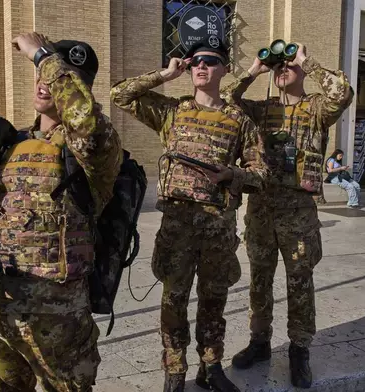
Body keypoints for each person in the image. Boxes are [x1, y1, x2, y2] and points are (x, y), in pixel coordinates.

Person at [0, 32, 122, 392]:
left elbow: (87, 125)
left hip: (59, 319)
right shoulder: (10, 142)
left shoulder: (95, 147)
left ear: (76, 89)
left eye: (56, 75)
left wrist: (42, 56)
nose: (44, 82)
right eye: (41, 74)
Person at [111, 38, 269, 392]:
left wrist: (233, 175)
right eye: (195, 61)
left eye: (211, 61)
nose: (201, 66)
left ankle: (211, 366)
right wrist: (165, 74)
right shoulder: (172, 112)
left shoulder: (238, 120)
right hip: (177, 230)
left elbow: (261, 175)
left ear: (225, 69)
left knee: (214, 301)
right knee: (174, 300)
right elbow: (120, 95)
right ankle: (175, 369)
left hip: (218, 229)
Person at [221, 43, 354, 388]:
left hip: (299, 214)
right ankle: (260, 342)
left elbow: (342, 93)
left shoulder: (316, 109)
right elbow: (224, 101)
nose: (282, 70)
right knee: (260, 282)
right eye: (278, 66)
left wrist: (308, 62)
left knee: (299, 283)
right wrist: (253, 70)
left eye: (287, 65)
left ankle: (299, 350)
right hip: (261, 211)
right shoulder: (259, 110)